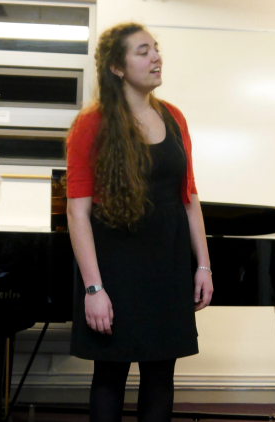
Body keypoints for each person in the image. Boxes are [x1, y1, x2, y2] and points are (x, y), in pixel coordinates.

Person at [66, 22, 213, 422]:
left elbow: (190, 199)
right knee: (110, 377)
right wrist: (94, 287)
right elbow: (77, 212)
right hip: (114, 268)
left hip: (167, 265)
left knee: (161, 377)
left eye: (157, 49)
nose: (156, 57)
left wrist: (203, 265)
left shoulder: (175, 118)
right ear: (117, 66)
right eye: (143, 51)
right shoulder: (90, 125)